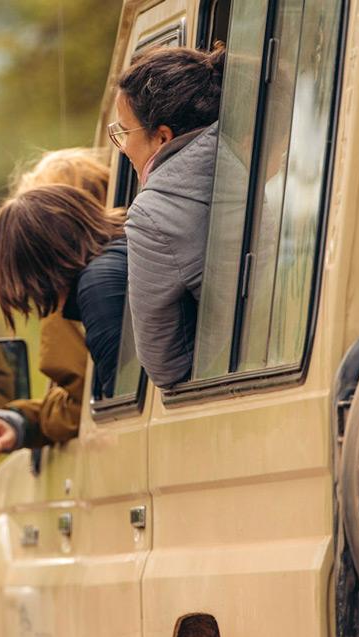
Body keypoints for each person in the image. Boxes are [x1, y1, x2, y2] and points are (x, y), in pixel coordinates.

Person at [0, 183, 126, 454]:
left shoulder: (98, 289)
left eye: (36, 298)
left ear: (42, 276)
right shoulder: (135, 248)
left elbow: (117, 407)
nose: (53, 310)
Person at [109, 45, 225, 389]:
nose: (123, 147)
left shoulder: (153, 213)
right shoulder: (258, 158)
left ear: (162, 137)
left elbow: (165, 364)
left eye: (125, 132)